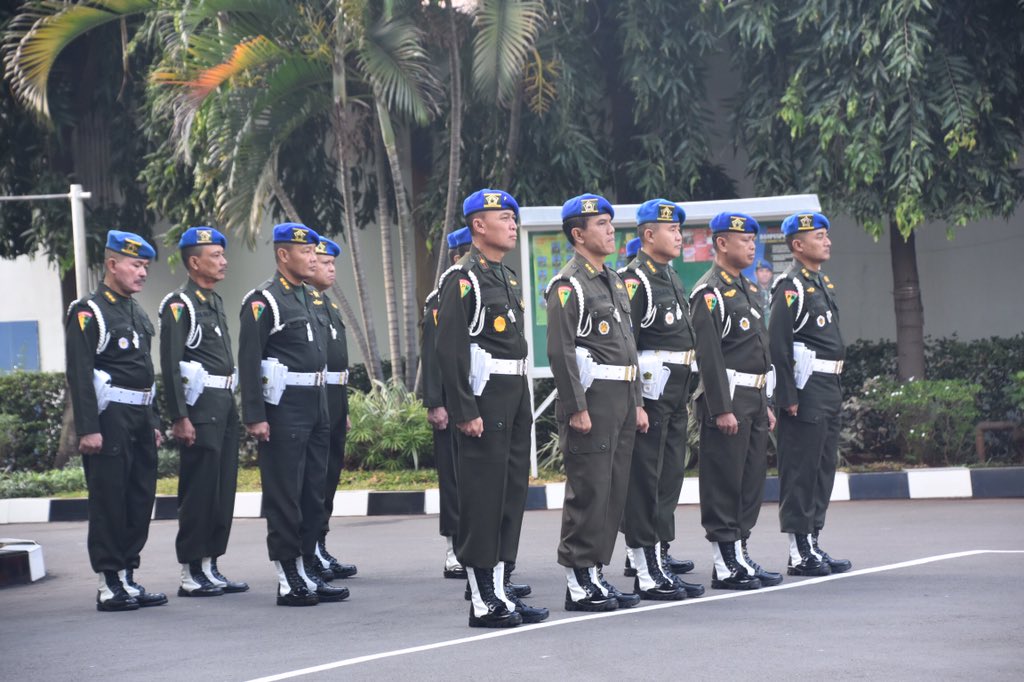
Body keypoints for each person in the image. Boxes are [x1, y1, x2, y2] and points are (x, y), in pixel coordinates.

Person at [436, 189, 547, 628]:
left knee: (508, 497)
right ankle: (483, 600)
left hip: (513, 397)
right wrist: (464, 410)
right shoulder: (462, 279)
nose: (513, 224)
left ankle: (501, 589)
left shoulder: (505, 277)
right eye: (504, 217)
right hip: (484, 402)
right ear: (478, 226)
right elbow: (450, 352)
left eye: (513, 217)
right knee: (482, 501)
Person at [545, 193, 649, 612]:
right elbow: (561, 350)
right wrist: (577, 407)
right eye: (601, 224)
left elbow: (629, 348)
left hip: (621, 399)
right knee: (588, 490)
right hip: (593, 401)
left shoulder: (613, 281)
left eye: (610, 223)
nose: (610, 230)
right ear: (578, 234)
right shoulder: (568, 285)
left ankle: (595, 573)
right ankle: (577, 579)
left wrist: (638, 401)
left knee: (612, 490)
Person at [238, 223, 348, 607]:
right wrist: (255, 414)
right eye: (306, 253)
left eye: (315, 253)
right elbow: (249, 360)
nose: (314, 259)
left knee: (312, 492)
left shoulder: (309, 299)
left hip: (316, 402)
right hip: (283, 407)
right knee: (286, 493)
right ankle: (288, 575)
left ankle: (306, 568)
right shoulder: (264, 301)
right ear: (284, 255)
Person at [65, 230, 167, 611]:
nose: (143, 273)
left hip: (139, 416)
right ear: (112, 265)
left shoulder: (135, 311)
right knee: (110, 499)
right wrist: (88, 427)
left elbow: (145, 370)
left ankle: (127, 574)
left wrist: (153, 420)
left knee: (139, 497)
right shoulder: (89, 311)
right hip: (109, 419)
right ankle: (109, 582)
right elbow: (79, 372)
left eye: (145, 266)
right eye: (136, 265)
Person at [689, 212, 781, 591]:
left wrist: (766, 402)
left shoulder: (747, 289)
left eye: (753, 240)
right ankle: (724, 561)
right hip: (728, 399)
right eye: (744, 240)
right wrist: (721, 408)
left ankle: (740, 552)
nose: (751, 246)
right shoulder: (708, 292)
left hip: (754, 398)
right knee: (724, 480)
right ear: (722, 243)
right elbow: (709, 357)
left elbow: (757, 349)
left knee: (750, 481)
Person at [618, 199, 704, 601]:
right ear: (648, 235)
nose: (679, 236)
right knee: (646, 482)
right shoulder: (635, 281)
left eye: (679, 230)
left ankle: (659, 553)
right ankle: (644, 563)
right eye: (671, 230)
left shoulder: (670, 277)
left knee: (668, 477)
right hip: (650, 398)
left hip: (674, 394)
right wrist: (634, 402)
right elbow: (626, 346)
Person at [159, 227, 247, 597]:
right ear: (195, 262)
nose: (224, 261)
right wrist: (180, 417)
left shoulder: (213, 301)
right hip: (200, 409)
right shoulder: (181, 305)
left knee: (221, 489)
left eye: (223, 255)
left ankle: (211, 564)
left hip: (224, 406)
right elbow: (170, 363)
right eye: (216, 255)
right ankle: (190, 570)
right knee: (198, 491)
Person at [770, 212, 852, 576]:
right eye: (819, 236)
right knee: (801, 469)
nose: (827, 241)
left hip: (828, 388)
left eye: (826, 235)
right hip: (805, 391)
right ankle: (799, 549)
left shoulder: (821, 284)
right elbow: (777, 345)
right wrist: (787, 396)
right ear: (798, 245)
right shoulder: (791, 286)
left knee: (822, 470)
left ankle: (813, 541)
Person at [420, 226, 472, 580]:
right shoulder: (439, 299)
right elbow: (434, 355)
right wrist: (435, 402)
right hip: (452, 404)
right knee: (454, 479)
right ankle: (454, 548)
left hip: (481, 399)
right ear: (457, 258)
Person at [308, 236, 358, 581]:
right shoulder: (306, 305)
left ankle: (320, 545)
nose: (330, 269)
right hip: (316, 398)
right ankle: (309, 548)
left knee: (329, 479)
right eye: (324, 262)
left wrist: (344, 406)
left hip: (335, 398)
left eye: (331, 263)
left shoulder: (329, 306)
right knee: (313, 479)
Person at [754, 259, 773, 325]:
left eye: (767, 271)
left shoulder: (777, 289)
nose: (764, 274)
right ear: (756, 274)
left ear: (771, 274)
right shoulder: (750, 292)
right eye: (761, 271)